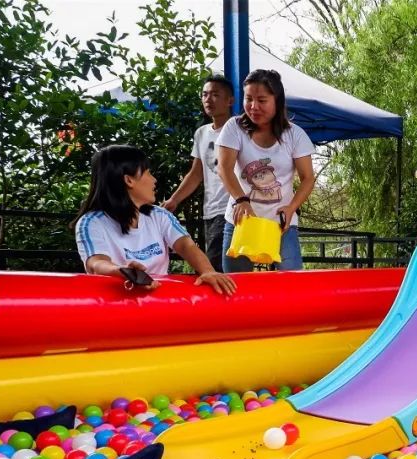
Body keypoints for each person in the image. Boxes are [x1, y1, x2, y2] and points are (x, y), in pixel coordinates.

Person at [73, 145, 237, 295]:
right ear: (129, 180)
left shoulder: (159, 215)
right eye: (147, 172)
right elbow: (96, 263)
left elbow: (186, 246)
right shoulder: (91, 222)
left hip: (159, 303)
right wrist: (123, 271)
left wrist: (208, 271)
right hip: (116, 305)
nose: (154, 180)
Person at [217, 69, 316, 272]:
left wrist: (291, 208)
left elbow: (307, 178)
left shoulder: (295, 134)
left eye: (261, 100)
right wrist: (241, 200)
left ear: (277, 102)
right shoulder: (233, 127)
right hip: (242, 219)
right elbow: (225, 169)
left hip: (281, 223)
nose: (253, 107)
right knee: (237, 285)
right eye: (248, 99)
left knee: (291, 282)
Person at [163, 75, 235, 270]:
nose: (208, 99)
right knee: (214, 266)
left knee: (218, 268)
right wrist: (174, 200)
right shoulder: (202, 133)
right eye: (204, 94)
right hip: (210, 212)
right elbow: (196, 173)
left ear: (230, 101)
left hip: (232, 209)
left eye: (215, 94)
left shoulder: (240, 128)